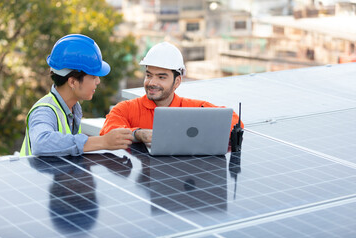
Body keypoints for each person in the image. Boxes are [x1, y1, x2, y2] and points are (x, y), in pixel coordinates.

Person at [100, 41, 243, 143]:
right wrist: (138, 134)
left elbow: (234, 121)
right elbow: (108, 131)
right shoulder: (125, 109)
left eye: (161, 77)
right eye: (149, 75)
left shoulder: (193, 109)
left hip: (181, 179)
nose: (152, 82)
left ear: (177, 82)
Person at [20, 34, 133, 156]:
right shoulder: (44, 110)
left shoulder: (74, 107)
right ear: (72, 82)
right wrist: (103, 141)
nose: (98, 81)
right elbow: (41, 143)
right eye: (93, 76)